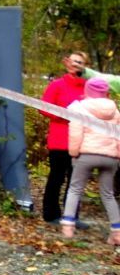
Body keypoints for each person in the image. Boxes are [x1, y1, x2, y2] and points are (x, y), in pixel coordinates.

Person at [61, 75, 120, 245]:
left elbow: (75, 132)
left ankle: (68, 229)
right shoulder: (115, 111)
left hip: (86, 155)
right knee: (108, 195)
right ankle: (117, 233)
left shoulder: (80, 108)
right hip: (110, 157)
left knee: (75, 190)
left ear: (88, 90)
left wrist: (74, 153)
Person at [39, 52, 89, 223]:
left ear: (85, 66)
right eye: (74, 61)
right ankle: (51, 214)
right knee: (56, 178)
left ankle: (71, 216)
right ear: (67, 63)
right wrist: (65, 115)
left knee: (76, 181)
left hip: (82, 141)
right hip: (60, 139)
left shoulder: (89, 87)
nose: (77, 64)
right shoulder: (57, 85)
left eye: (80, 62)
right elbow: (43, 108)